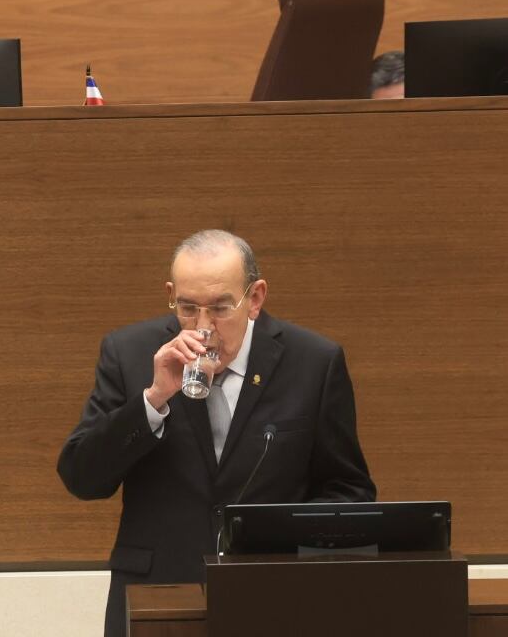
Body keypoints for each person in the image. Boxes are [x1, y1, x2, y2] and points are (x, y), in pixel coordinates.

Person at [56, 230, 375, 637]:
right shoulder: (128, 353)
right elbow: (82, 477)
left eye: (221, 307)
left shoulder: (314, 363)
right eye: (187, 308)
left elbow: (348, 492)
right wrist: (153, 400)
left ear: (255, 298)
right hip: (159, 600)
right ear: (171, 294)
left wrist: (285, 552)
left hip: (275, 603)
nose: (202, 326)